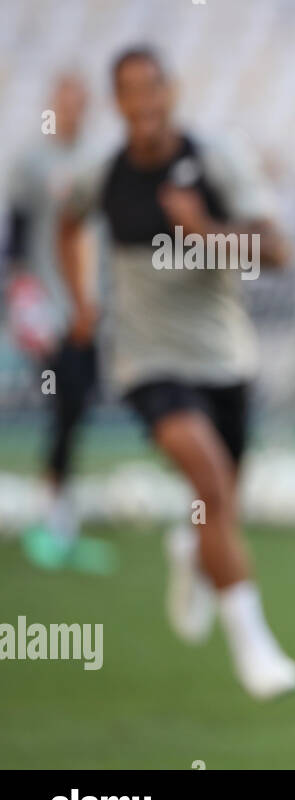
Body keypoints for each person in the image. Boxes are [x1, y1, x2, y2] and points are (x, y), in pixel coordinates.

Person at [57, 46, 295, 699]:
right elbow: (67, 219)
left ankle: (191, 550)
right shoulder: (102, 174)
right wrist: (82, 299)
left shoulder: (216, 160)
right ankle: (254, 648)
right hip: (147, 360)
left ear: (171, 93)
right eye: (128, 92)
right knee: (211, 480)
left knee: (221, 499)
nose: (143, 104)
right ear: (118, 102)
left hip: (224, 357)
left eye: (152, 89)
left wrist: (204, 229)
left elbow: (277, 250)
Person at [5, 72, 113, 574]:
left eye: (79, 102)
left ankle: (57, 521)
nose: (71, 111)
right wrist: (23, 305)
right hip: (51, 310)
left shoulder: (98, 162)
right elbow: (19, 240)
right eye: (63, 102)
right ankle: (54, 524)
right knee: (63, 409)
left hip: (89, 311)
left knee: (77, 410)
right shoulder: (32, 163)